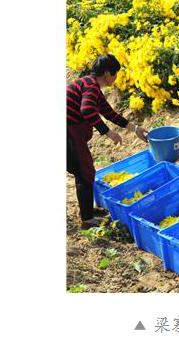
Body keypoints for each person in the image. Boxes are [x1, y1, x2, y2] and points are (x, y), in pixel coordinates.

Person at [66, 54, 148, 228]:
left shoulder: (90, 84)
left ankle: (87, 211)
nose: (116, 78)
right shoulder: (91, 86)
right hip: (68, 131)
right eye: (115, 73)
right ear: (107, 73)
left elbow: (109, 113)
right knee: (84, 172)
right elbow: (87, 110)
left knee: (84, 171)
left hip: (72, 131)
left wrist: (135, 129)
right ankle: (87, 220)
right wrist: (107, 132)